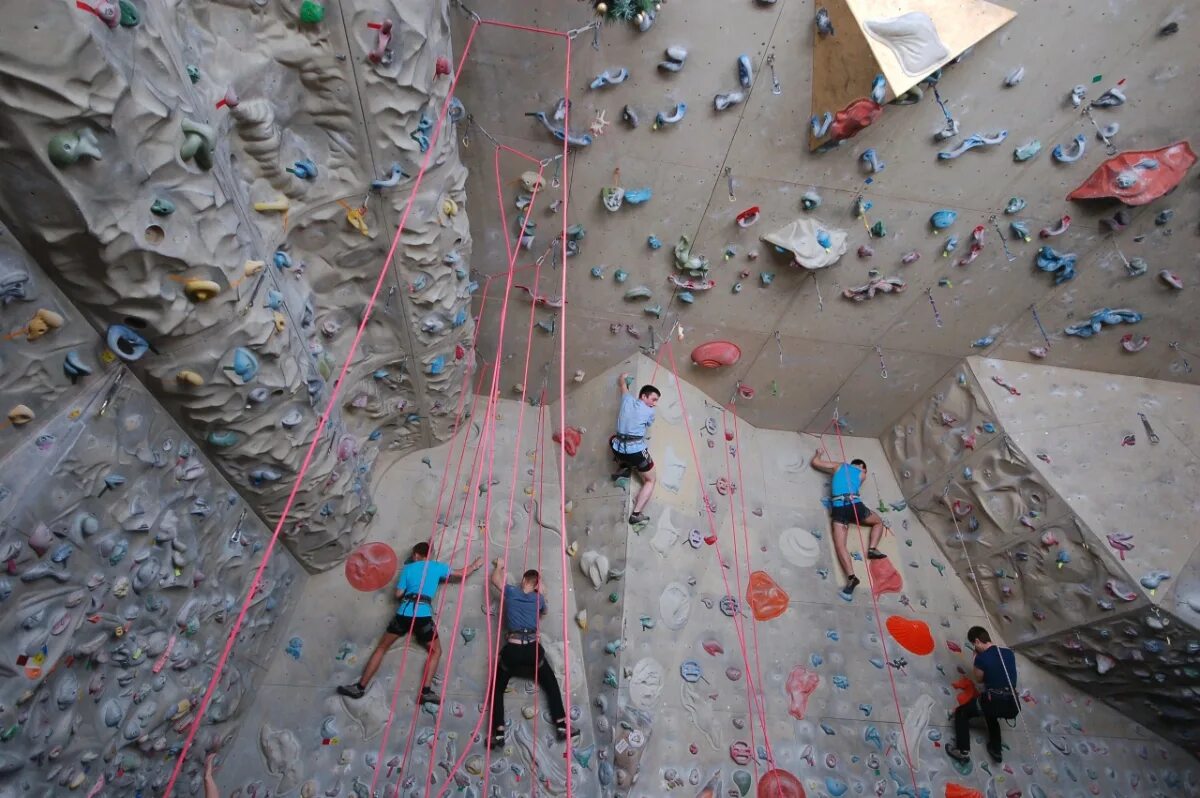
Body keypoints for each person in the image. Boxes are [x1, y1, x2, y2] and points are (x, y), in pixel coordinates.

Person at [338, 541, 483, 704]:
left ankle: (360, 687)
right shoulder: (437, 567)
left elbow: (399, 594)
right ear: (429, 554)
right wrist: (475, 565)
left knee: (381, 648)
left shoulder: (408, 569)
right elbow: (461, 573)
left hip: (404, 613)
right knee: (436, 652)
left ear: (415, 555)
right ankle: (426, 692)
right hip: (422, 615)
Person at [486, 560, 577, 749]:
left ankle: (499, 732)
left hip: (512, 651)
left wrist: (500, 566)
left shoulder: (511, 591)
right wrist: (540, 591)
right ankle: (561, 725)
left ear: (523, 580)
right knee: (551, 683)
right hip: (532, 652)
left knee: (497, 689)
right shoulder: (538, 599)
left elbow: (495, 579)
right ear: (536, 584)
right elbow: (544, 612)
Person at [810, 450, 887, 599]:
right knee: (878, 521)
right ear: (863, 468)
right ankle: (872, 549)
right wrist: (860, 470)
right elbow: (858, 475)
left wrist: (818, 454)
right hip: (854, 505)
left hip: (838, 508)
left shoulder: (840, 466)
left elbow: (816, 463)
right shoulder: (862, 474)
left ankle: (852, 578)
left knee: (840, 546)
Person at [946, 626, 1019, 764]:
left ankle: (963, 751)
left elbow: (979, 679)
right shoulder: (1009, 653)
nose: (974, 647)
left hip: (994, 701)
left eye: (974, 644)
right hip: (1012, 704)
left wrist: (975, 661)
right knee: (991, 715)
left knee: (962, 712)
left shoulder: (982, 658)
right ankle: (996, 750)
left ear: (978, 641)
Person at [611, 373, 659, 525]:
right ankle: (636, 514)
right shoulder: (650, 411)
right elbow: (648, 424)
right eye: (653, 399)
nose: (655, 403)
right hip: (635, 453)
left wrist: (624, 377)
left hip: (617, 448)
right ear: (644, 397)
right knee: (651, 480)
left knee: (612, 439)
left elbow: (623, 385)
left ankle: (624, 467)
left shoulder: (626, 399)